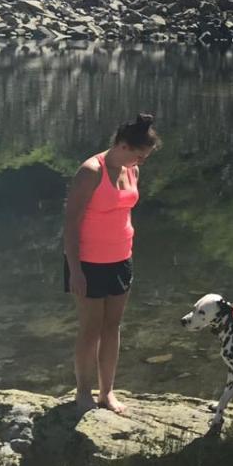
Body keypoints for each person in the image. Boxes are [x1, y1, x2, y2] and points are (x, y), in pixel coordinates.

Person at [63, 113, 160, 414]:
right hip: (89, 262)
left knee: (113, 326)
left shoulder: (132, 171)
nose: (141, 162)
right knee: (90, 328)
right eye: (139, 155)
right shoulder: (91, 171)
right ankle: (83, 392)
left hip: (121, 258)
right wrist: (75, 270)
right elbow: (70, 225)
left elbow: (123, 211)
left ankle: (107, 392)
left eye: (145, 157)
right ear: (122, 144)